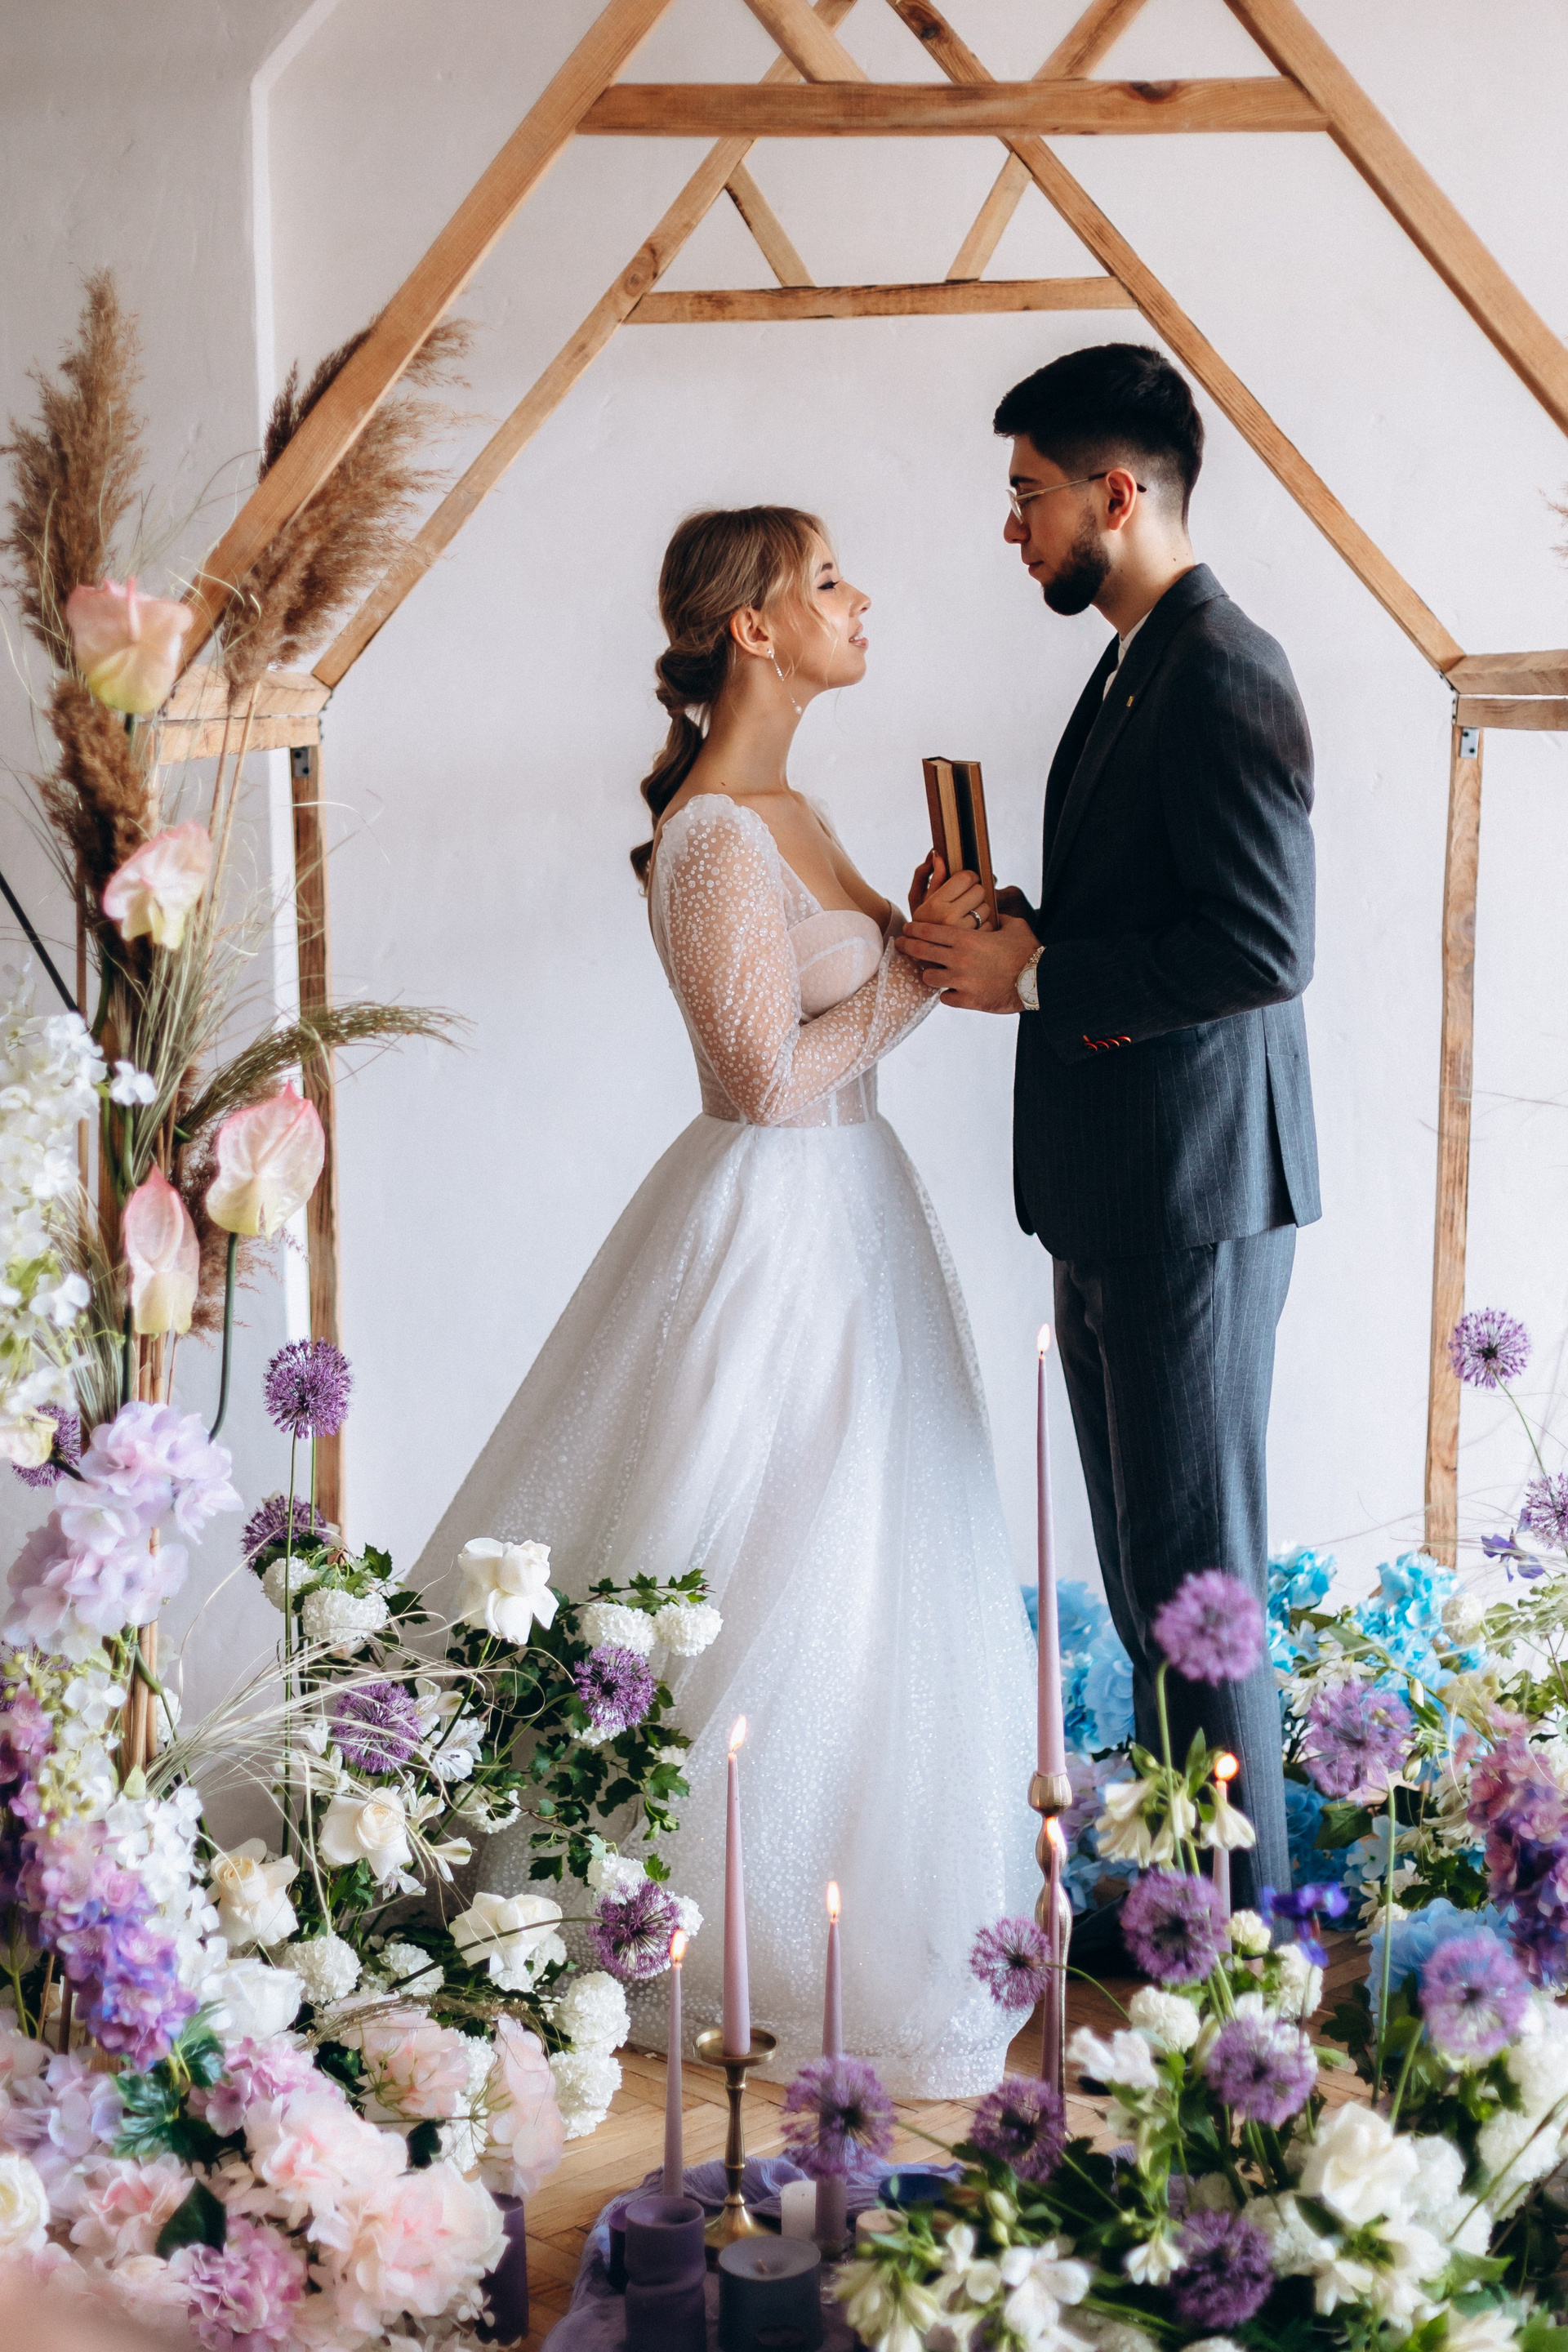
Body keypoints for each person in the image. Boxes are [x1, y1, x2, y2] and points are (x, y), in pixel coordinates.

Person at [414, 506, 1036, 2095]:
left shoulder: (794, 809)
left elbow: (859, 1009)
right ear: (753, 628)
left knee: (869, 1550)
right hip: (774, 1222)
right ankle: (688, 1915)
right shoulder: (709, 836)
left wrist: (927, 937)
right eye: (827, 579)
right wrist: (916, 976)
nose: (858, 596)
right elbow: (761, 1079)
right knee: (756, 1539)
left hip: (861, 1210)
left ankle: (860, 1893)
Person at [898, 345, 1319, 1912]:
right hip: (1116, 1188)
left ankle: (1238, 1963)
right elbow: (1157, 907)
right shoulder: (1137, 660)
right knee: (1150, 1584)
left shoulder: (1222, 667)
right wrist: (1013, 928)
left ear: (1117, 494)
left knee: (1200, 1598)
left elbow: (1263, 945)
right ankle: (1180, 1918)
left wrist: (1041, 976)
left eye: (1029, 495)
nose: (1011, 527)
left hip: (1194, 1194)